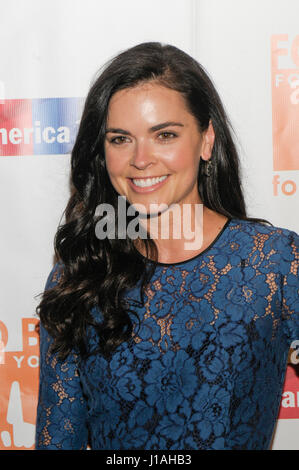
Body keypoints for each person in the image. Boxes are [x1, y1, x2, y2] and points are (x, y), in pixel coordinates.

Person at [35, 42, 299, 450]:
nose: (141, 159)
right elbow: (58, 441)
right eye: (120, 139)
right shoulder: (79, 276)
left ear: (206, 140)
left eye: (165, 135)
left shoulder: (275, 263)